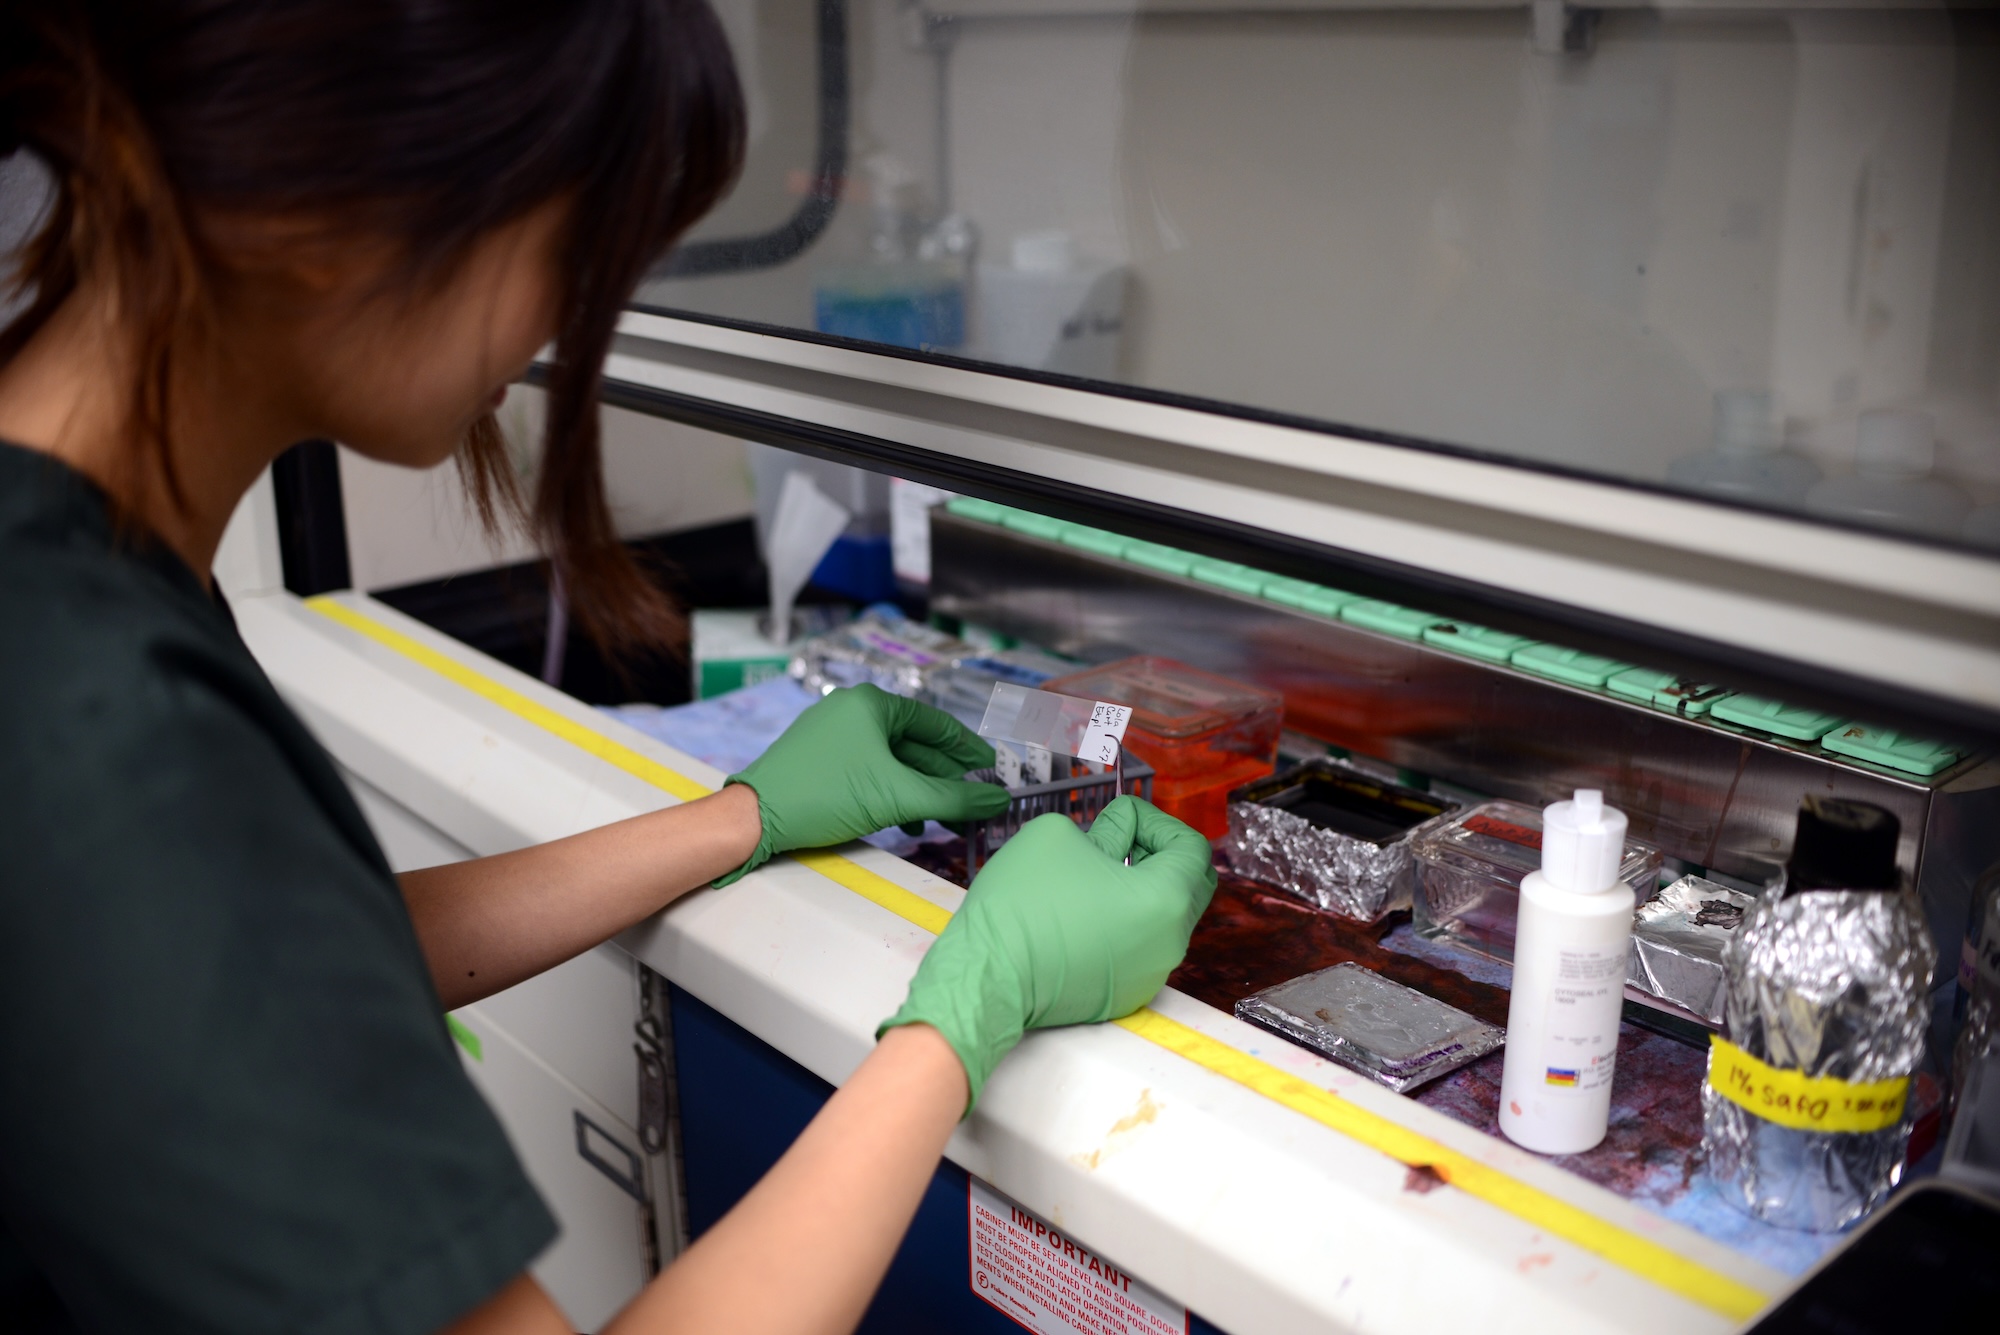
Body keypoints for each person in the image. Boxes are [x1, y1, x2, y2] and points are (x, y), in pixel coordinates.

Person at [0, 3, 1218, 1333]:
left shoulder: (71, 577)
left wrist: (741, 818)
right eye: (577, 245)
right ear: (331, 198)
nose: (575, 320)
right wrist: (959, 1023)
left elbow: (261, 970)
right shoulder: (92, 716)